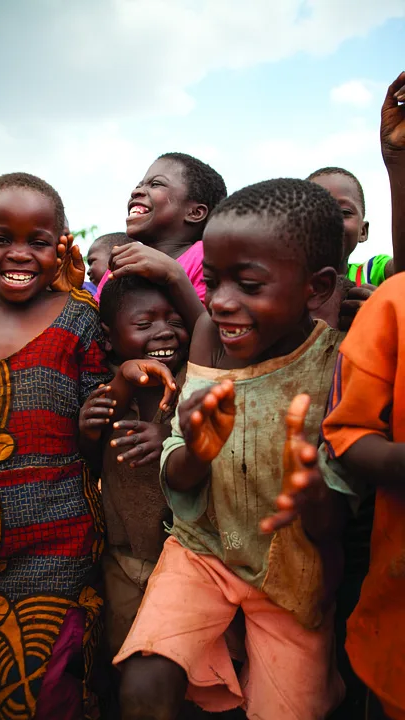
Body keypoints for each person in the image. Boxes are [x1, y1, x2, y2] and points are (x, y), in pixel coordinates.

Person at [0, 171, 174, 720]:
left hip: (58, 533)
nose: (19, 254)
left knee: (43, 685)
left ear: (58, 243)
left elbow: (96, 432)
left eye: (37, 241)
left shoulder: (77, 319)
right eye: (1, 238)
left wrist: (118, 390)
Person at [114, 178, 348, 720]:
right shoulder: (209, 343)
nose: (220, 303)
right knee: (145, 683)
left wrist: (312, 492)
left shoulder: (338, 365)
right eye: (213, 281)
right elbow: (180, 470)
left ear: (317, 288)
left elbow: (335, 522)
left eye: (248, 284)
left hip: (293, 573)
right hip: (203, 549)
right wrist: (195, 450)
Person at [322, 73, 405, 720]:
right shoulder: (283, 287)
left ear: (366, 227)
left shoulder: (375, 278)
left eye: (342, 211)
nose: (328, 220)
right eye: (313, 207)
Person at [82, 275, 190, 658]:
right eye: (145, 324)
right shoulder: (106, 393)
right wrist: (88, 427)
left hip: (190, 562)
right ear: (109, 338)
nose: (164, 333)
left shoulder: (193, 385)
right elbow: (91, 462)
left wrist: (169, 439)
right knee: (127, 657)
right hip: (125, 560)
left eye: (176, 322)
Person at [94, 152, 227, 333]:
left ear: (195, 212)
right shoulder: (124, 261)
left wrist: (174, 276)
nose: (136, 191)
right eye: (139, 185)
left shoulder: (205, 256)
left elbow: (217, 337)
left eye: (155, 184)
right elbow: (95, 330)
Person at [307, 165, 392, 287]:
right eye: (317, 212)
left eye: (344, 212)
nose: (330, 221)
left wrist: (378, 302)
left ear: (363, 231)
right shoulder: (286, 281)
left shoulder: (371, 272)